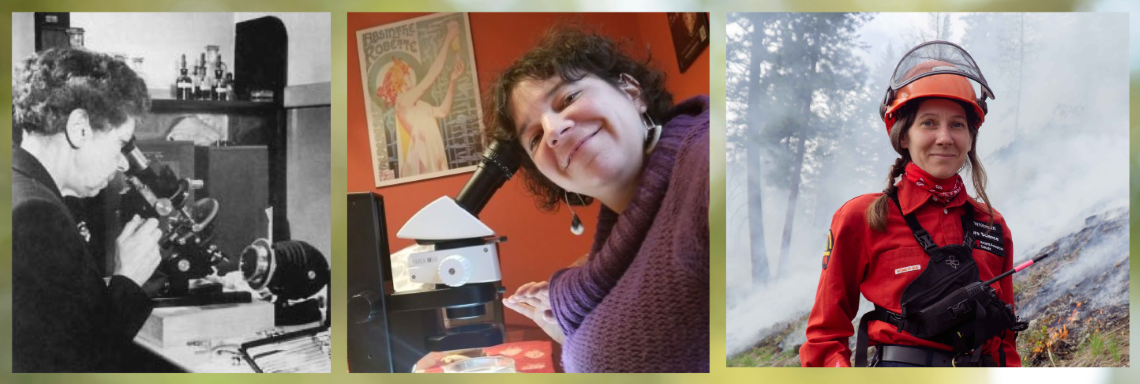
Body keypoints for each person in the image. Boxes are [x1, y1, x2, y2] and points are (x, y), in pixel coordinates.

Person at [488, 27, 710, 372]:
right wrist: (570, 324)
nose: (553, 131)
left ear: (632, 91)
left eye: (568, 99)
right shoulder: (618, 236)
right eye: (534, 137)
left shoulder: (706, 158)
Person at [800, 41, 1022, 367]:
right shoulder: (861, 217)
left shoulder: (993, 225)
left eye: (957, 124)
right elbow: (825, 335)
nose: (945, 137)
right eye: (929, 123)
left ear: (970, 137)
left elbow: (1005, 341)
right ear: (904, 136)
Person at [12, 47, 163, 372]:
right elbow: (84, 363)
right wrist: (129, 278)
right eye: (121, 144)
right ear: (80, 128)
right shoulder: (36, 215)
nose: (124, 163)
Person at [376, 20, 464, 178]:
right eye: (407, 73)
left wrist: (452, 80)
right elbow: (433, 74)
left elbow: (443, 112)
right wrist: (449, 38)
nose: (411, 75)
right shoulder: (403, 102)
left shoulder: (419, 104)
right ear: (399, 82)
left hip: (433, 157)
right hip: (422, 161)